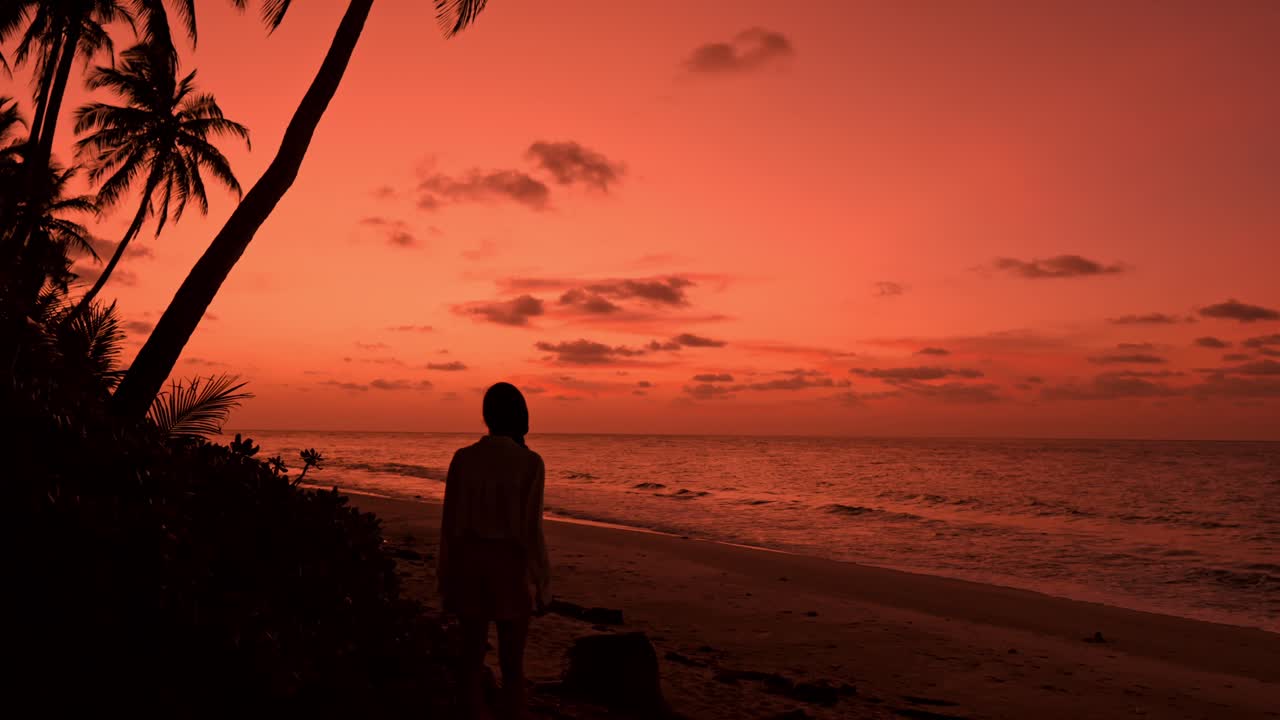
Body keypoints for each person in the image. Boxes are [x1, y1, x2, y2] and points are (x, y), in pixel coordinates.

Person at [438, 382, 551, 719]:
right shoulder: (530, 463)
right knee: (512, 666)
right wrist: (543, 583)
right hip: (511, 568)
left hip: (470, 564)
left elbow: (451, 525)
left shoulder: (464, 459)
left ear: (486, 416)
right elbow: (531, 530)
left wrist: (445, 579)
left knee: (470, 663)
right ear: (521, 416)